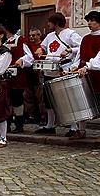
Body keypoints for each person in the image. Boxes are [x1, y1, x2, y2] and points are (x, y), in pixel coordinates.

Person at [37, 12, 81, 135]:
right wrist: (40, 49)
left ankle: (74, 127)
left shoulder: (71, 34)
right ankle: (50, 125)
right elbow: (43, 47)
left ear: (56, 23)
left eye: (50, 22)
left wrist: (70, 49)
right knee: (48, 99)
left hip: (64, 68)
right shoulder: (50, 35)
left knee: (67, 98)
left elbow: (81, 47)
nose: (48, 24)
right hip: (49, 69)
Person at [66, 10, 100, 139]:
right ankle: (81, 130)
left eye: (92, 20)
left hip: (98, 75)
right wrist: (73, 67)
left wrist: (89, 66)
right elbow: (80, 56)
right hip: (85, 74)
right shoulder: (85, 38)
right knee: (82, 102)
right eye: (88, 21)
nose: (89, 23)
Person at [4, 26, 33, 134]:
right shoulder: (4, 42)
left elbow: (30, 56)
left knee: (17, 100)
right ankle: (6, 124)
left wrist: (21, 60)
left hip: (17, 76)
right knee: (6, 101)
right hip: (5, 76)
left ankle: (19, 124)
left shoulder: (21, 40)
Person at [23, 28, 44, 124]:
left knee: (40, 96)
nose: (31, 37)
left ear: (39, 35)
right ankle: (31, 115)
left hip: (39, 73)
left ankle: (43, 116)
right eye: (30, 35)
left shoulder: (43, 46)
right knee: (28, 96)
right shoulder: (26, 46)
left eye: (34, 35)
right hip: (28, 73)